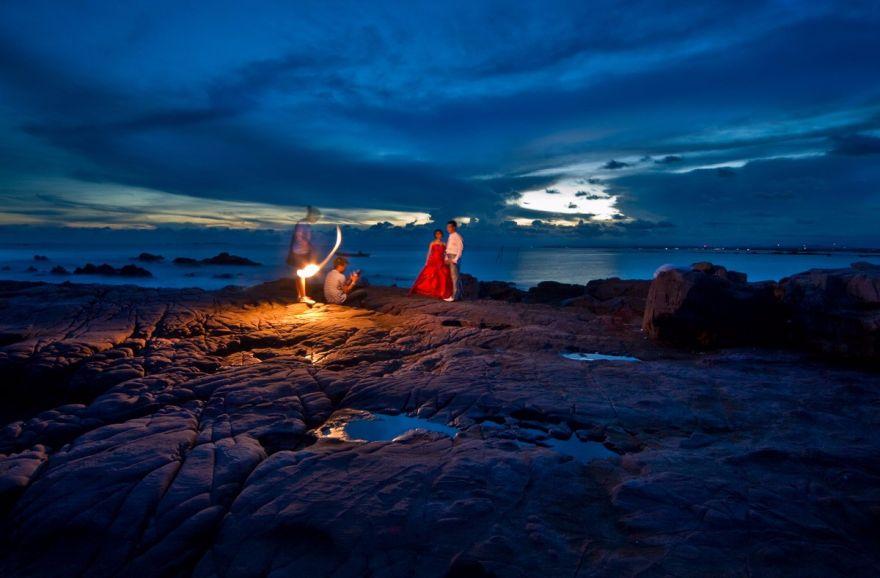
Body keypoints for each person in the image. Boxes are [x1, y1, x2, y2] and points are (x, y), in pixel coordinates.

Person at [287, 206, 321, 305]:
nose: (317, 219)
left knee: (300, 274)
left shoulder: (306, 224)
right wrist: (310, 245)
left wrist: (310, 248)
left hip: (303, 252)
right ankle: (303, 297)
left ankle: (300, 295)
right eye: (316, 217)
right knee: (301, 274)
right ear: (311, 215)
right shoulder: (302, 223)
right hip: (299, 252)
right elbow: (298, 237)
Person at [410, 229, 453, 299]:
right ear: (435, 235)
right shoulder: (432, 243)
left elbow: (446, 253)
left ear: (442, 235)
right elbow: (429, 253)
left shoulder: (444, 244)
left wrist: (447, 259)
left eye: (439, 234)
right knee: (430, 275)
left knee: (443, 275)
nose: (438, 235)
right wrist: (426, 262)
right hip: (433, 261)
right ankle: (428, 290)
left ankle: (441, 291)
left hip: (441, 261)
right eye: (437, 234)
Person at [444, 220, 464, 301]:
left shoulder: (457, 236)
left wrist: (455, 259)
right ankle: (457, 296)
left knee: (454, 277)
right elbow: (448, 248)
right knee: (453, 277)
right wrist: (446, 257)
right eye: (447, 227)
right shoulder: (450, 236)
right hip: (450, 256)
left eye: (449, 227)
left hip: (454, 257)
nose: (448, 228)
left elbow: (460, 248)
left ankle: (454, 297)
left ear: (454, 227)